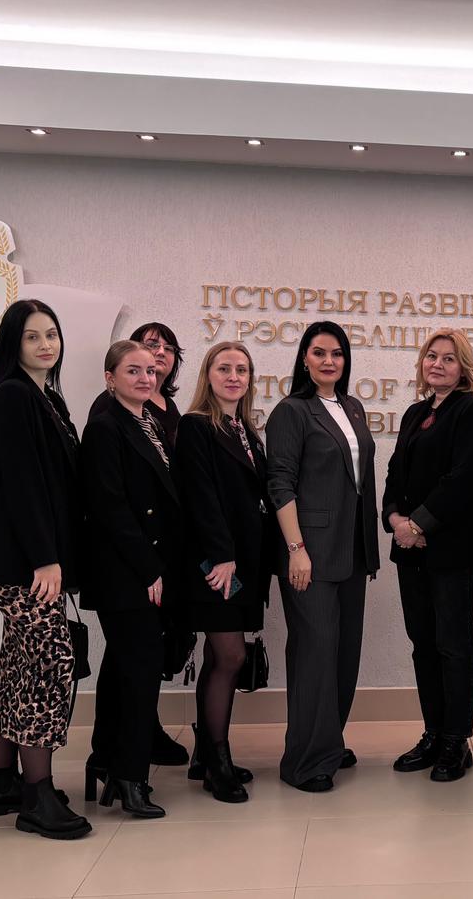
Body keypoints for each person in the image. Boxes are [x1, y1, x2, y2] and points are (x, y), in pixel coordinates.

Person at [0, 299, 91, 839]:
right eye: (33, 336)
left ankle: (1, 782)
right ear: (12, 344)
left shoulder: (47, 397)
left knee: (18, 663)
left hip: (31, 558)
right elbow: (22, 484)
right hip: (25, 561)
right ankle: (37, 795)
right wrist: (46, 557)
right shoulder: (13, 395)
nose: (46, 345)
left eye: (52, 335)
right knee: (49, 663)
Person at [268, 322, 380, 793]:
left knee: (344, 651)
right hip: (309, 552)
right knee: (315, 650)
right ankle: (305, 761)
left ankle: (329, 741)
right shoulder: (291, 411)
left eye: (337, 353)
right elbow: (280, 483)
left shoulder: (352, 407)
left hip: (352, 549)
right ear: (304, 359)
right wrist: (296, 550)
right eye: (319, 353)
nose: (329, 361)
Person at [384, 329, 473, 782]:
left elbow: (465, 477)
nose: (438, 364)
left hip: (450, 551)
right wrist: (395, 518)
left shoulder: (472, 409)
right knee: (423, 645)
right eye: (432, 356)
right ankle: (432, 733)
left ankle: (455, 740)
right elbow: (395, 472)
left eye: (449, 358)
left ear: (463, 367)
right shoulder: (415, 412)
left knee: (453, 645)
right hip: (410, 552)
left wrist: (419, 525)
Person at [80, 340, 181, 819]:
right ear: (110, 378)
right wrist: (149, 568)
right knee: (141, 670)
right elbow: (110, 506)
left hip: (146, 567)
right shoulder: (105, 426)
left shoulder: (149, 422)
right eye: (133, 371)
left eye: (150, 371)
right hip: (126, 572)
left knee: (123, 667)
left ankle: (105, 759)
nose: (146, 378)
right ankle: (131, 776)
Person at [173, 341, 277, 803]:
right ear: (208, 375)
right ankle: (218, 762)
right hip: (217, 564)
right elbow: (200, 495)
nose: (234, 376)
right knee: (231, 657)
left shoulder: (246, 429)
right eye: (224, 368)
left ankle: (205, 755)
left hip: (246, 562)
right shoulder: (197, 425)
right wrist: (222, 555)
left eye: (242, 369)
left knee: (219, 657)